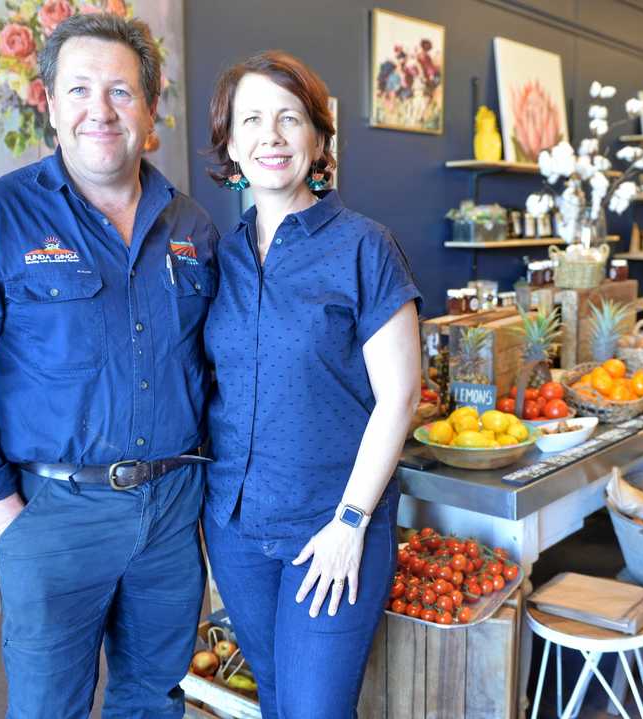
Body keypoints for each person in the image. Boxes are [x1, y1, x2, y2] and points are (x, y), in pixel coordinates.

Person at [0, 13, 217, 719]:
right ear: (49, 104)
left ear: (150, 104)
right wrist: (10, 520)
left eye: (120, 91)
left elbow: (214, 366)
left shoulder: (193, 226)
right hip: (53, 513)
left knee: (155, 697)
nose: (99, 111)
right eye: (78, 90)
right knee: (50, 707)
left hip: (170, 513)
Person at [202, 51, 422, 718]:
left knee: (315, 710)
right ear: (231, 144)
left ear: (319, 140)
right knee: (274, 696)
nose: (271, 136)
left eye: (289, 119)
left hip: (331, 526)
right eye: (253, 121)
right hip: (237, 528)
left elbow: (401, 396)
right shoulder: (221, 255)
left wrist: (351, 520)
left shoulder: (363, 246)